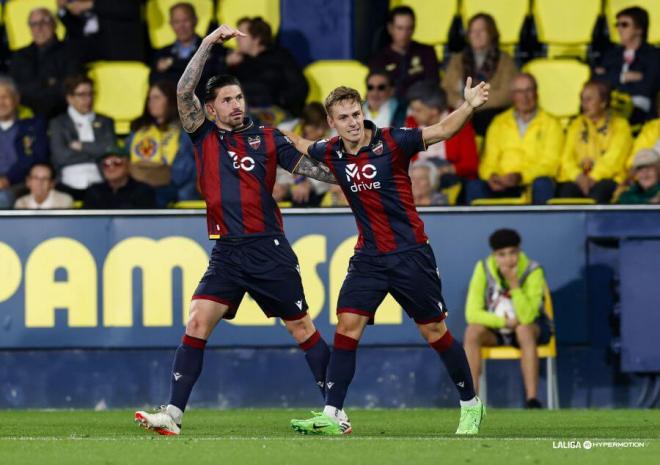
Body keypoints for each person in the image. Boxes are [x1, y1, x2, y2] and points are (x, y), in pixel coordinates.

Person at [134, 25, 338, 436]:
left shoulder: (266, 137)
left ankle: (336, 412)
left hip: (268, 247)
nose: (236, 105)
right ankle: (173, 415)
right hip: (226, 251)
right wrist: (208, 43)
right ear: (210, 109)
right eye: (226, 100)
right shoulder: (203, 134)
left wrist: (352, 175)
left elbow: (312, 169)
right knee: (196, 321)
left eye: (239, 97)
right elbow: (182, 91)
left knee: (301, 328)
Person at [287, 78, 490, 435]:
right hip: (368, 257)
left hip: (410, 253)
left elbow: (442, 129)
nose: (352, 122)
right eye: (344, 117)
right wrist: (262, 132)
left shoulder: (394, 140)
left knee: (434, 331)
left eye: (356, 113)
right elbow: (301, 144)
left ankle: (471, 405)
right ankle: (333, 414)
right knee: (347, 326)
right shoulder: (331, 150)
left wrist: (469, 106)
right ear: (332, 122)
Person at [463, 229, 552, 409]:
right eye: (502, 255)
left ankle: (532, 400)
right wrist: (504, 323)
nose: (508, 259)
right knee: (472, 332)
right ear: (494, 255)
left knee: (524, 330)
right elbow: (471, 313)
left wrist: (514, 285)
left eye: (512, 253)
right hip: (498, 327)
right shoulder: (483, 268)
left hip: (530, 328)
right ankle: (471, 401)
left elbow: (528, 316)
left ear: (519, 251)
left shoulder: (533, 270)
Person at [466, 73, 563, 205]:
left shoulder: (552, 124)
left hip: (530, 183)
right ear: (512, 96)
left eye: (529, 90)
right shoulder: (499, 123)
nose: (525, 97)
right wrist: (493, 176)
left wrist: (520, 176)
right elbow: (488, 160)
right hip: (500, 182)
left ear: (536, 93)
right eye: (519, 92)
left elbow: (551, 164)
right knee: (474, 186)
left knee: (543, 184)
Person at [557, 81, 632, 204]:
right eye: (582, 99)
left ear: (603, 103)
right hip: (577, 179)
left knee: (600, 192)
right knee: (566, 192)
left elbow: (615, 159)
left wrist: (593, 177)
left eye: (589, 99)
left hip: (607, 179)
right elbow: (566, 157)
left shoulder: (620, 126)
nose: (584, 104)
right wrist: (578, 177)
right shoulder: (575, 125)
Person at [442, 13, 517, 135]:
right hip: (460, 110)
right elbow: (446, 90)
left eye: (482, 30)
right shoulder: (457, 60)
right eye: (473, 31)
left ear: (491, 33)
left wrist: (475, 103)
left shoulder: (505, 60)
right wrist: (458, 102)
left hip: (488, 114)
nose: (476, 35)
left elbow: (507, 94)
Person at [126, 81, 197, 207]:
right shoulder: (137, 129)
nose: (151, 102)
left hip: (171, 183)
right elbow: (127, 158)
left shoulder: (184, 130)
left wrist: (161, 176)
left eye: (157, 98)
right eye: (149, 98)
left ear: (170, 101)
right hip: (139, 182)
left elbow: (188, 167)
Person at [226, 17, 308, 119]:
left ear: (256, 38)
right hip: (244, 111)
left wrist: (279, 101)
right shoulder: (237, 62)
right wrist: (225, 65)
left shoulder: (280, 58)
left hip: (274, 112)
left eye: (242, 34)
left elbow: (300, 87)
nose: (237, 38)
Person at [49, 75, 115, 200]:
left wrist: (82, 146)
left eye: (91, 94)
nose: (88, 99)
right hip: (67, 181)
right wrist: (95, 151)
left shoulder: (106, 121)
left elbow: (110, 149)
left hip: (100, 179)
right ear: (70, 98)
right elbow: (61, 156)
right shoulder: (58, 123)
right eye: (82, 95)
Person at [406, 81, 478, 193]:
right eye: (412, 109)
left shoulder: (461, 123)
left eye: (418, 110)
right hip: (417, 179)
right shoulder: (411, 123)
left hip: (450, 180)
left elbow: (470, 165)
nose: (413, 114)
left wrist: (442, 170)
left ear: (434, 111)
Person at [9, 8, 81, 119]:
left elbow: (70, 86)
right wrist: (47, 83)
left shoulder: (70, 51)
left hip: (61, 114)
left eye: (44, 22)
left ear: (54, 25)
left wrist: (36, 87)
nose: (39, 28)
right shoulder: (20, 56)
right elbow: (14, 88)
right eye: (34, 24)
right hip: (26, 116)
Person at [593, 6, 659, 125]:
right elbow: (596, 81)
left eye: (624, 25)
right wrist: (622, 77)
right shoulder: (611, 55)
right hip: (612, 107)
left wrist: (611, 79)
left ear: (639, 29)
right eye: (617, 25)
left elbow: (647, 88)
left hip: (640, 113)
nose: (619, 29)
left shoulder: (654, 56)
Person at [149, 2, 225, 89]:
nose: (181, 26)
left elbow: (216, 82)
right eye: (176, 22)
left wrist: (172, 65)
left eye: (185, 20)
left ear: (195, 20)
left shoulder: (212, 48)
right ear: (171, 24)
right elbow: (154, 83)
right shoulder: (162, 54)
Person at [369, 6, 439, 98]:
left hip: (422, 106)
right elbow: (376, 90)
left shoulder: (426, 52)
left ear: (414, 28)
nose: (404, 34)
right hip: (391, 108)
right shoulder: (379, 59)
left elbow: (432, 85)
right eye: (400, 28)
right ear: (390, 29)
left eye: (409, 28)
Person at [0, 77, 49, 209]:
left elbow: (35, 158)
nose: (1, 102)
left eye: (5, 97)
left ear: (16, 99)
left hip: (22, 183)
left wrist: (8, 179)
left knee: (2, 198)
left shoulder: (32, 127)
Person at [57, 0, 146, 62]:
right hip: (87, 55)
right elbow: (75, 30)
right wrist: (62, 9)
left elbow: (131, 8)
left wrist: (91, 5)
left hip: (120, 50)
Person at [83, 146, 156, 209]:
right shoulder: (94, 191)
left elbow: (146, 222)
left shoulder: (143, 191)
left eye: (117, 162)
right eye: (106, 163)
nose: (111, 167)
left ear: (128, 165)